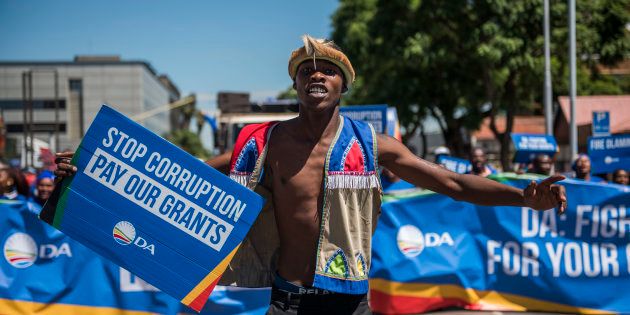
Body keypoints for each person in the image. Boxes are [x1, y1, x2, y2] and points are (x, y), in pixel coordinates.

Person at [56, 35, 567, 315]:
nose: (315, 74)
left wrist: (524, 197)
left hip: (349, 301)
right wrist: (90, 174)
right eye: (305, 70)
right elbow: (174, 175)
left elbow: (452, 183)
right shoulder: (264, 142)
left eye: (326, 69)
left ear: (343, 84)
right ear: (296, 86)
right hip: (285, 298)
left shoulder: (372, 145)